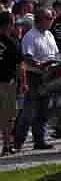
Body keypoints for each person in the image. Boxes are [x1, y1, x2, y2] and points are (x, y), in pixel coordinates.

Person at [15, 8, 59, 150]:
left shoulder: (50, 35)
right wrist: (39, 65)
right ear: (40, 20)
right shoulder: (30, 36)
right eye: (49, 18)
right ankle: (18, 141)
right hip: (34, 76)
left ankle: (39, 140)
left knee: (43, 111)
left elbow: (56, 54)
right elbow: (27, 57)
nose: (52, 20)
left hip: (47, 76)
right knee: (29, 112)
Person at [0, 12, 24, 155]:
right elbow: (20, 66)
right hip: (7, 84)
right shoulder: (13, 42)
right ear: (9, 24)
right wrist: (23, 83)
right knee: (8, 117)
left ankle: (7, 145)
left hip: (6, 83)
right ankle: (7, 145)